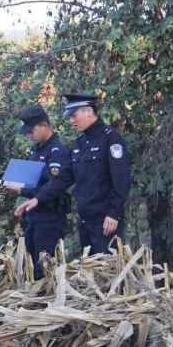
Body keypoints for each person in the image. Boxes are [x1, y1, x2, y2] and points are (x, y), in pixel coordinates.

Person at [7, 104, 72, 279]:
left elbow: (57, 183)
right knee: (29, 268)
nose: (29, 135)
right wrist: (20, 189)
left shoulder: (56, 151)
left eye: (31, 130)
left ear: (44, 125)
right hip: (34, 217)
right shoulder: (36, 150)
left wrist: (32, 195)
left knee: (44, 270)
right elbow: (33, 185)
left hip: (50, 218)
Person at [62, 93, 131, 254]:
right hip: (85, 221)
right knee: (88, 275)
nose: (71, 121)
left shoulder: (111, 138)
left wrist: (114, 214)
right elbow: (66, 178)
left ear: (88, 111)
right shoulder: (79, 144)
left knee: (108, 272)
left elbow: (121, 180)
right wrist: (35, 194)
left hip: (106, 222)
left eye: (74, 115)